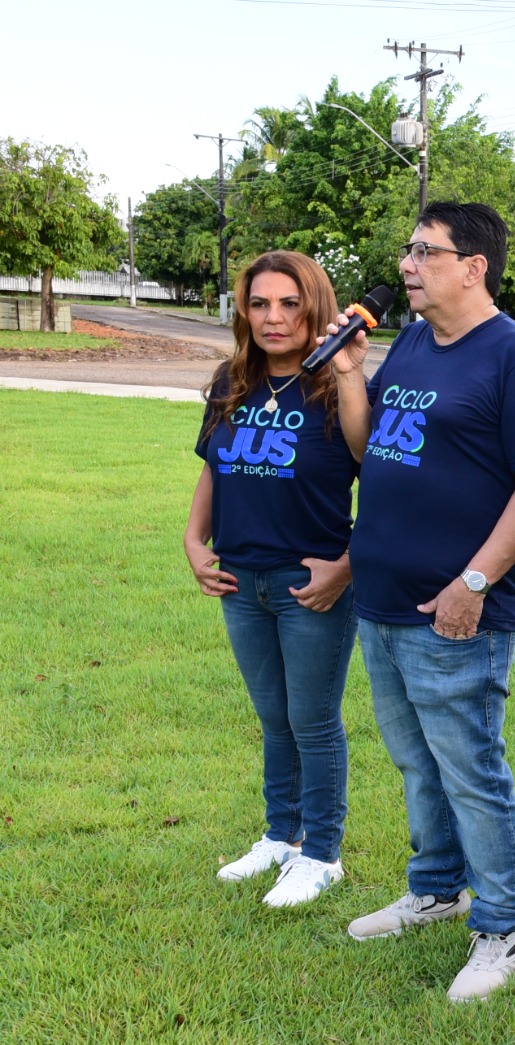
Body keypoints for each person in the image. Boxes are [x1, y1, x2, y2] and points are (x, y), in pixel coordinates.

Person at [329, 202, 515, 1003]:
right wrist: (352, 376)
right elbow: (372, 449)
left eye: (425, 251)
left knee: (471, 768)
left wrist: (474, 582)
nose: (408, 264)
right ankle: (435, 888)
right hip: (385, 600)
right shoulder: (414, 345)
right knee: (416, 761)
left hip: (456, 610)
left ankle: (506, 927)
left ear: (474, 266)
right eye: (409, 248)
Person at [185, 250, 358, 909]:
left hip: (308, 582)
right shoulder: (233, 379)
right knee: (272, 717)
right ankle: (281, 837)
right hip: (242, 580)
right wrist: (192, 540)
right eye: (259, 304)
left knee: (312, 720)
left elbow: (381, 471)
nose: (273, 317)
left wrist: (348, 564)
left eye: (289, 303)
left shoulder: (335, 388)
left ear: (313, 306)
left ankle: (322, 854)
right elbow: (214, 467)